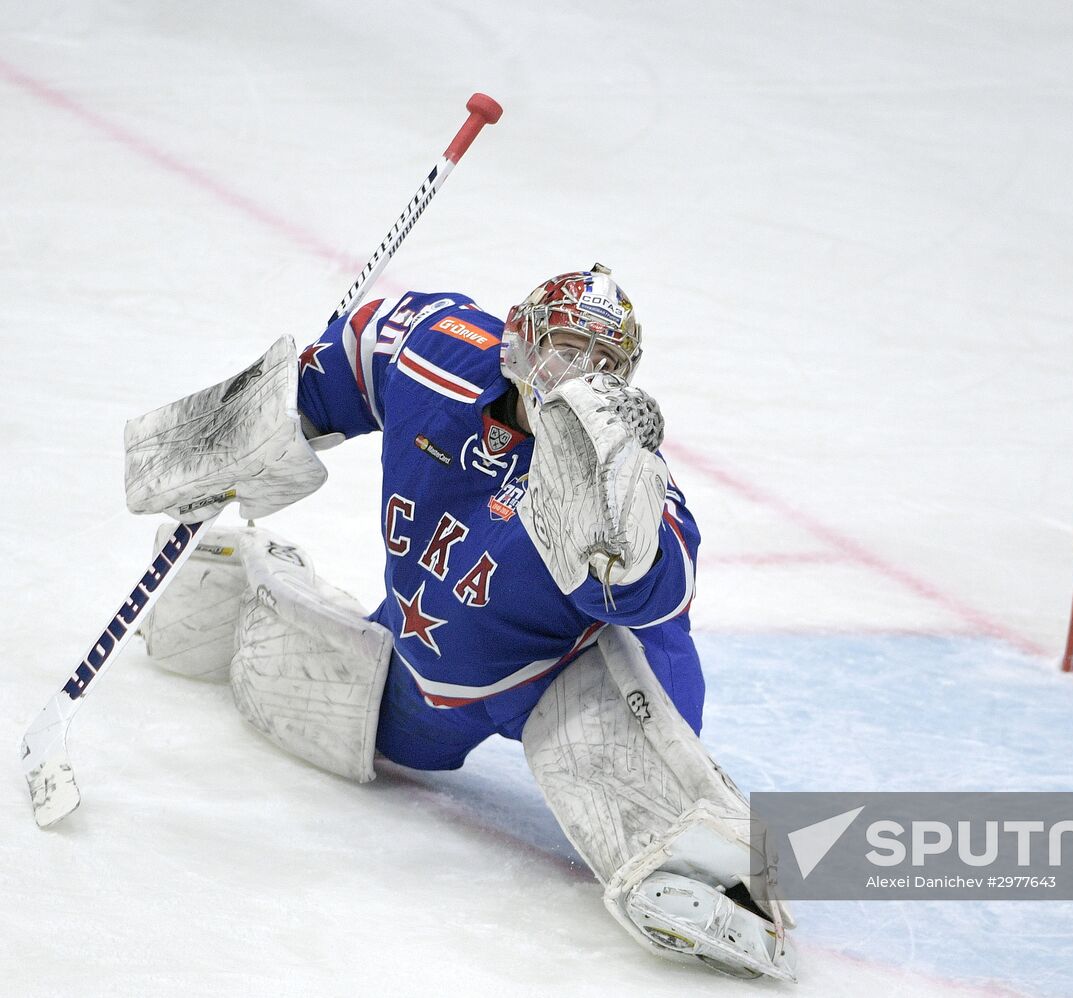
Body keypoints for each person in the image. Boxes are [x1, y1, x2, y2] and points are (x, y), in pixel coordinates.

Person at [130, 265, 795, 981]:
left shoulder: (623, 478)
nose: (581, 376)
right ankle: (238, 585)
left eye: (608, 366)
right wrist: (248, 428)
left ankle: (691, 842)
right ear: (518, 337)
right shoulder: (437, 350)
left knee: (631, 732)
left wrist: (617, 522)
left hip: (560, 678)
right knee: (307, 698)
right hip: (422, 665)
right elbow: (351, 358)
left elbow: (662, 594)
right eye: (568, 348)